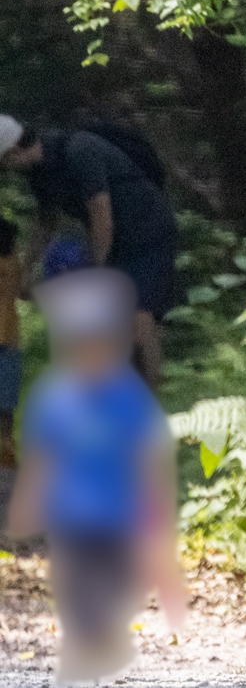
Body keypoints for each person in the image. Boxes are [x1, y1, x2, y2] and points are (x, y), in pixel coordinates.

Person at [7, 239, 185, 684]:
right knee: (73, 585)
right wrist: (28, 504)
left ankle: (103, 634)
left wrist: (156, 509)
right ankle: (89, 641)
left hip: (119, 518)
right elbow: (41, 458)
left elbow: (149, 452)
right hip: (71, 519)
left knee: (119, 584)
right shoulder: (54, 396)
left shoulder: (127, 395)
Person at [0, 114, 176, 387]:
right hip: (116, 241)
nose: (7, 171)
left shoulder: (78, 150)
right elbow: (45, 223)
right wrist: (25, 270)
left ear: (13, 152)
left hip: (148, 232)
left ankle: (151, 400)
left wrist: (94, 271)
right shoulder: (39, 173)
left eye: (4, 165)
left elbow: (100, 214)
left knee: (138, 315)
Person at [0, 217, 22, 468]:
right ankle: (6, 446)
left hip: (8, 336)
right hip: (10, 337)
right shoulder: (13, 263)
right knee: (6, 401)